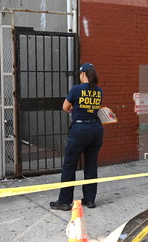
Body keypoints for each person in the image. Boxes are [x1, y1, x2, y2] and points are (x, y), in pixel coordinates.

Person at [50, 63, 104, 211]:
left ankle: (64, 201)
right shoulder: (99, 91)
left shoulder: (76, 89)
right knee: (91, 165)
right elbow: (93, 108)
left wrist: (74, 109)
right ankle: (90, 199)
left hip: (80, 129)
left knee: (69, 165)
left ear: (82, 74)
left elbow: (65, 107)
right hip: (96, 129)